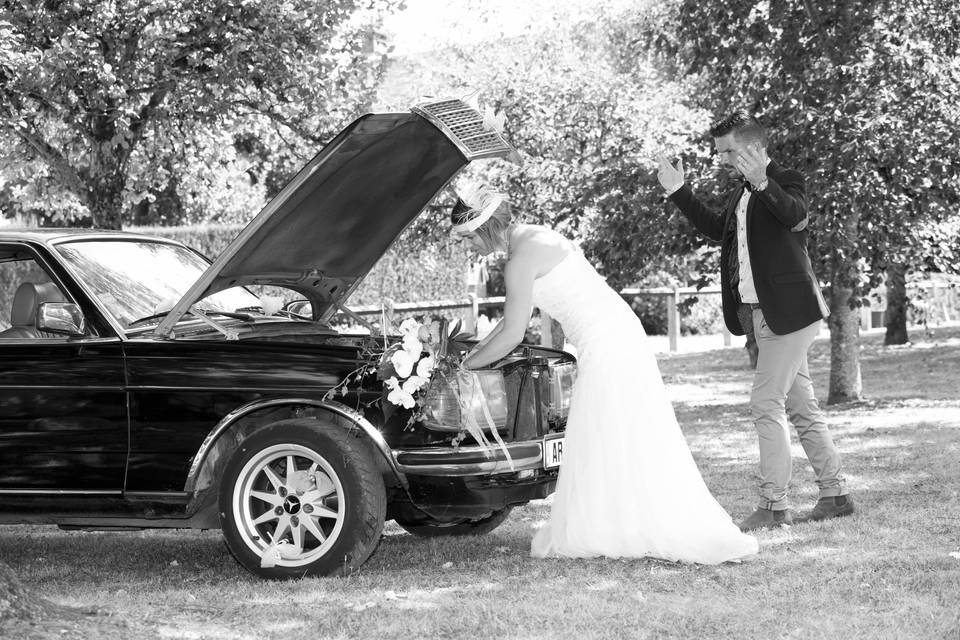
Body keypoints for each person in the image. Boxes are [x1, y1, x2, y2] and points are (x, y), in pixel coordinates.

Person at [452, 183, 758, 564]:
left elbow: (514, 332)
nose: (468, 247)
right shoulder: (534, 237)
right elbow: (505, 325)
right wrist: (472, 355)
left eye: (466, 237)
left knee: (609, 428)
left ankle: (622, 526)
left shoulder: (519, 261)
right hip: (616, 331)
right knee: (619, 430)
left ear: (483, 227)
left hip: (607, 341)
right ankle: (622, 521)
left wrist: (465, 367)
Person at [656, 110, 854, 531]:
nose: (724, 160)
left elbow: (795, 214)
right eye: (721, 154)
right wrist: (678, 191)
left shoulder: (789, 180)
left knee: (766, 403)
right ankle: (835, 494)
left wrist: (765, 181)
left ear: (755, 148)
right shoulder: (740, 193)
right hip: (762, 318)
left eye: (729, 152)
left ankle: (773, 504)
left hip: (792, 313)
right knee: (802, 407)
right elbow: (717, 229)